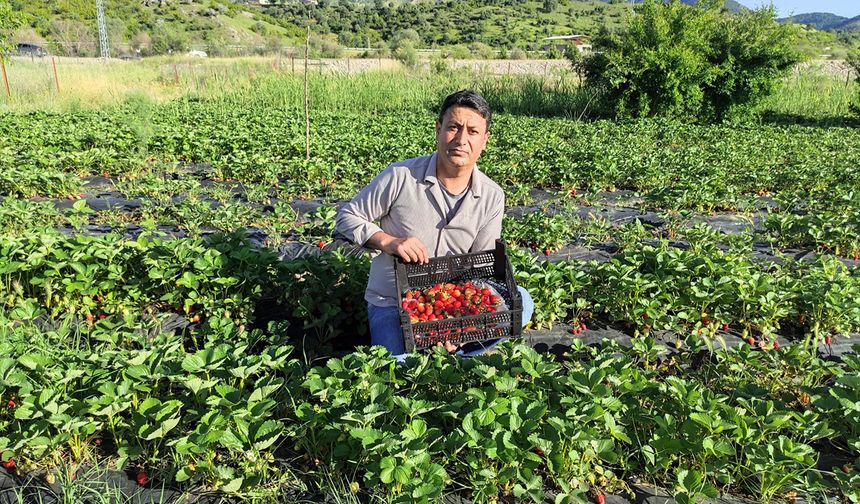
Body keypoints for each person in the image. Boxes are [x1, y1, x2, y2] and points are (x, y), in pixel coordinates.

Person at [335, 90, 534, 358]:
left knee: (523, 302)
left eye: (473, 132)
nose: (461, 140)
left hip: (451, 305)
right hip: (394, 303)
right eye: (453, 127)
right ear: (439, 129)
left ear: (484, 140)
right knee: (398, 370)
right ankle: (445, 356)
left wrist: (459, 326)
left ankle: (457, 349)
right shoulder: (401, 177)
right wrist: (388, 241)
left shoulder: (491, 195)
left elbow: (480, 270)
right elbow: (347, 216)